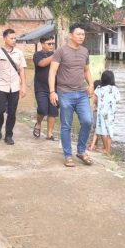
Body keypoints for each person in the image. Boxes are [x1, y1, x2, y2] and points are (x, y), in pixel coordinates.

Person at [48, 23, 94, 168]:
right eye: (79, 34)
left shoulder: (85, 51)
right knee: (66, 125)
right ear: (70, 35)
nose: (82, 36)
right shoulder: (60, 51)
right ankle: (68, 155)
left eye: (83, 34)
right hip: (64, 93)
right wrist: (52, 91)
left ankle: (81, 151)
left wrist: (91, 84)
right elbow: (52, 72)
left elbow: (86, 70)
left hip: (81, 93)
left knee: (87, 121)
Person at [0, 28, 27, 145]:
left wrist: (23, 86)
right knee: (0, 110)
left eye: (15, 38)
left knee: (12, 112)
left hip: (15, 87)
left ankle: (9, 135)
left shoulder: (19, 53)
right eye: (11, 38)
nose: (14, 40)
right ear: (5, 38)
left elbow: (22, 70)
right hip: (1, 86)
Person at [32, 35, 58, 140]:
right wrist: (55, 56)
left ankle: (49, 134)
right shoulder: (37, 55)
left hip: (54, 88)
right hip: (40, 87)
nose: (51, 46)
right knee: (42, 109)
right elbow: (42, 64)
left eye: (53, 44)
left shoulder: (56, 55)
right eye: (49, 44)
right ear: (42, 44)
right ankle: (38, 123)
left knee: (53, 111)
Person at [90, 70, 120, 155]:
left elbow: (95, 100)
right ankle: (108, 149)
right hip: (111, 113)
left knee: (103, 131)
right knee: (109, 130)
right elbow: (118, 100)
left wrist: (98, 103)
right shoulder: (115, 89)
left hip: (101, 112)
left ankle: (106, 149)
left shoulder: (99, 88)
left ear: (102, 79)